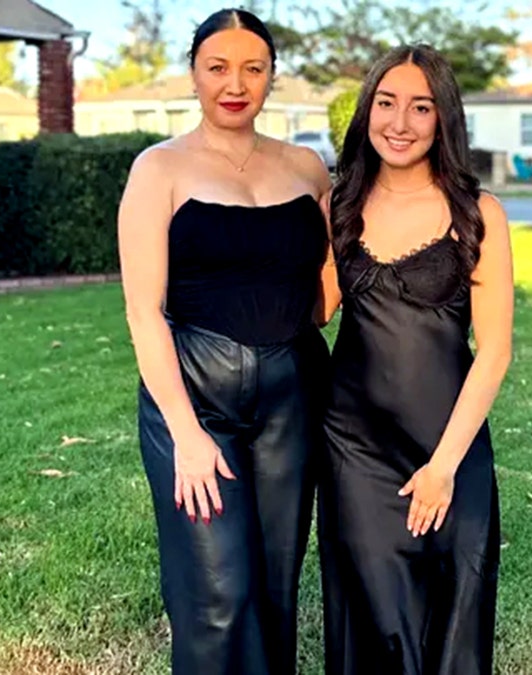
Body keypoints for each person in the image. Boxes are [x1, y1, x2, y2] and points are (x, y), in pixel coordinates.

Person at [116, 8, 331, 674]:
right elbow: (142, 312)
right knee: (217, 594)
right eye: (217, 67)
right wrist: (183, 432)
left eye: (252, 68)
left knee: (274, 584)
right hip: (194, 401)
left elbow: (327, 280)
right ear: (194, 74)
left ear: (271, 77)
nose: (234, 83)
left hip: (293, 398)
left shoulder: (306, 167)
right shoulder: (159, 170)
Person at [316, 44, 514, 675]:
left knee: (454, 621)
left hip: (449, 444)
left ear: (443, 119)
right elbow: (316, 310)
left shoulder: (477, 215)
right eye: (386, 102)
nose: (399, 123)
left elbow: (495, 352)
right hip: (356, 447)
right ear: (366, 109)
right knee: (380, 622)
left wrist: (444, 466)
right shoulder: (338, 204)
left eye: (420, 107)